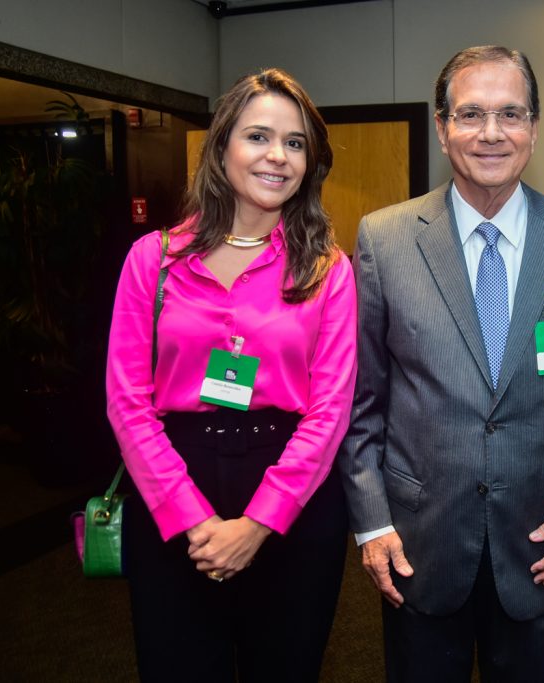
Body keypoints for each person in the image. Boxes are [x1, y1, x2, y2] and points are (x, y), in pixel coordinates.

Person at [339, 45, 544, 683]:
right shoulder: (385, 238)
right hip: (418, 544)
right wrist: (372, 522)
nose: (491, 133)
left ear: (535, 128)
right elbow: (360, 403)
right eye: (470, 114)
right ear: (442, 128)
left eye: (510, 114)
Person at [105, 68, 356, 682]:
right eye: (258, 136)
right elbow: (126, 401)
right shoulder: (154, 259)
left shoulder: (328, 269)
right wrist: (192, 516)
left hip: (292, 493)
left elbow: (330, 410)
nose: (277, 156)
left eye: (295, 143)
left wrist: (258, 523)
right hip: (173, 484)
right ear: (221, 148)